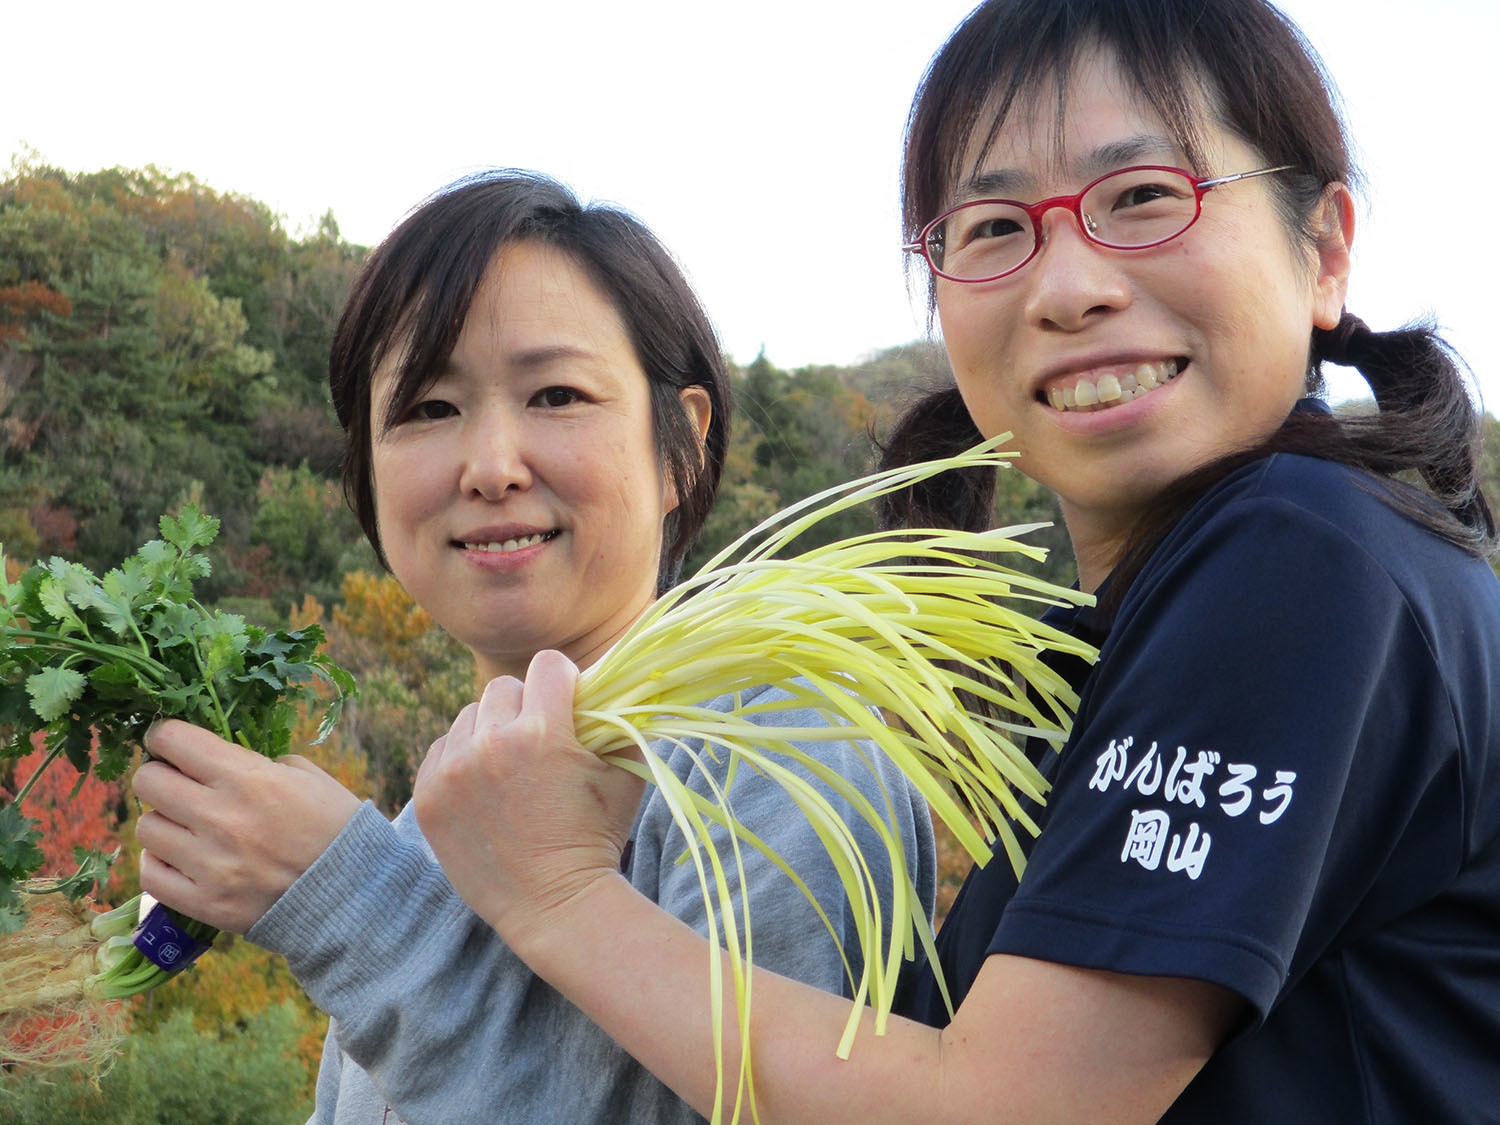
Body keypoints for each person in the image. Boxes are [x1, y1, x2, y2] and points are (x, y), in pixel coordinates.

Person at [407, 2, 1500, 1121]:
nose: (1069, 287)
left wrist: (555, 894)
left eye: (1142, 199)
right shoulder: (1168, 616)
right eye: (991, 227)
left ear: (1323, 251)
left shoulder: (1303, 559)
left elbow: (1001, 1109)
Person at [131, 170, 936, 1124]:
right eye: (428, 408)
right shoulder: (428, 825)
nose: (491, 466)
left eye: (556, 394)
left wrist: (349, 903)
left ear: (679, 442)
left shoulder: (780, 758)